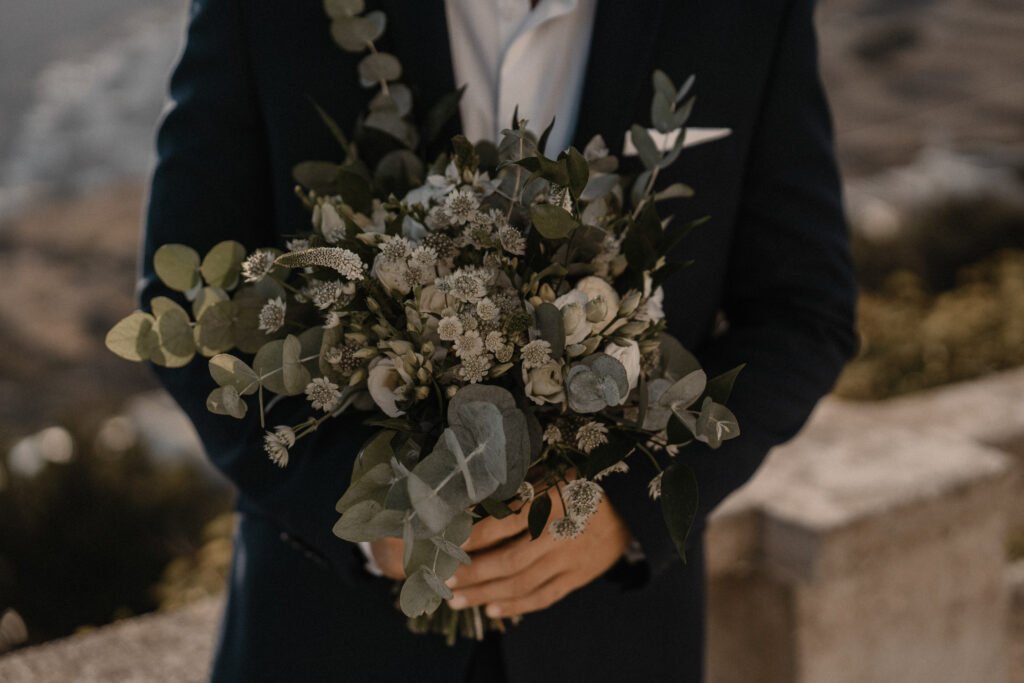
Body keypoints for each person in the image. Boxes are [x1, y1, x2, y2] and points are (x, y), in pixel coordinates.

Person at [139, 0, 857, 681]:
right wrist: (355, 508)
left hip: (612, 643)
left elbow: (803, 312)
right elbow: (188, 296)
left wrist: (629, 510)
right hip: (327, 636)